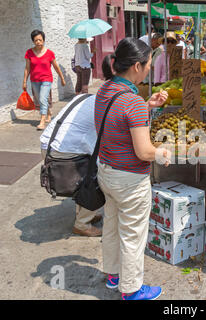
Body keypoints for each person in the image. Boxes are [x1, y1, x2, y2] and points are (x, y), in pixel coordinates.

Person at [96, 37, 171, 300]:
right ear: (137, 66)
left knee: (113, 227)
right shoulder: (133, 102)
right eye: (149, 65)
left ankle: (114, 275)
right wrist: (162, 153)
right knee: (132, 235)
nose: (150, 69)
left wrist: (148, 106)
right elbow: (144, 152)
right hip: (129, 181)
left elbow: (117, 122)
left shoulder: (105, 89)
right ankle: (131, 289)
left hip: (106, 173)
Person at [40, 94, 102, 237]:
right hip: (63, 152)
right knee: (99, 180)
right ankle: (82, 224)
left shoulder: (85, 97)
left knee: (81, 181)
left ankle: (84, 214)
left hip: (48, 144)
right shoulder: (104, 107)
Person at [23, 30, 66, 130]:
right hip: (34, 80)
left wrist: (62, 78)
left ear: (44, 40)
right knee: (39, 99)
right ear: (33, 41)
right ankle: (48, 112)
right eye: (36, 40)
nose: (38, 42)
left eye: (40, 39)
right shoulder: (29, 53)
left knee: (42, 98)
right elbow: (27, 68)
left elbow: (56, 67)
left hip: (46, 79)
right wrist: (24, 81)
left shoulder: (50, 53)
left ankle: (42, 121)